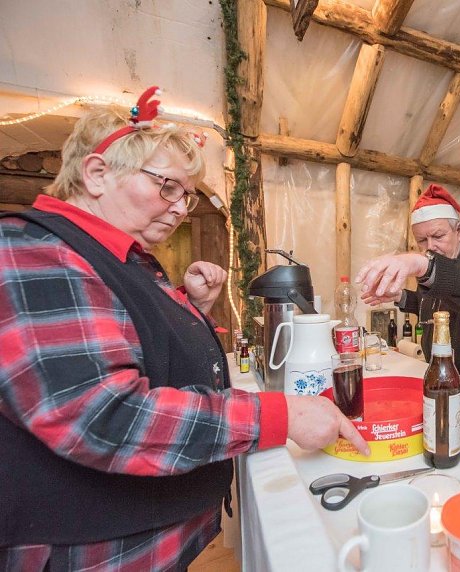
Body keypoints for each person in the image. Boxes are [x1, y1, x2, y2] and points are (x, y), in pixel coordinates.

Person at [0, 87, 368, 570]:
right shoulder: (30, 254)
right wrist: (279, 416)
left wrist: (193, 307)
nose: (179, 207)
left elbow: (144, 353)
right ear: (96, 174)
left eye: (187, 195)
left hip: (147, 538)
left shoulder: (116, 258)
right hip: (94, 551)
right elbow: (102, 415)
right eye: (167, 186)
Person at [356, 184, 460, 380]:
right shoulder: (435, 265)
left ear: (459, 231)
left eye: (438, 236)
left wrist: (423, 265)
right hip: (437, 372)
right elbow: (431, 305)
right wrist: (401, 297)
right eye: (422, 240)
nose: (430, 247)